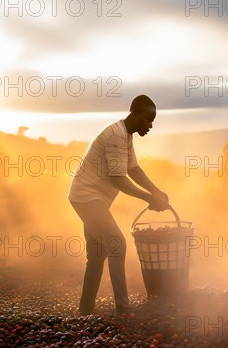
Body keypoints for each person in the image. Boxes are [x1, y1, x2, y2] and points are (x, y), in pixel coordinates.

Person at [68, 95, 170, 315]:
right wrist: (149, 199)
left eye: (153, 120)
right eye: (147, 119)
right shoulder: (116, 136)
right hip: (87, 197)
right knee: (117, 244)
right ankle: (123, 309)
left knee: (96, 254)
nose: (150, 125)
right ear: (134, 113)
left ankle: (85, 311)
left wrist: (156, 191)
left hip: (92, 199)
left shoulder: (126, 136)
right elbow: (118, 180)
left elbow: (133, 170)